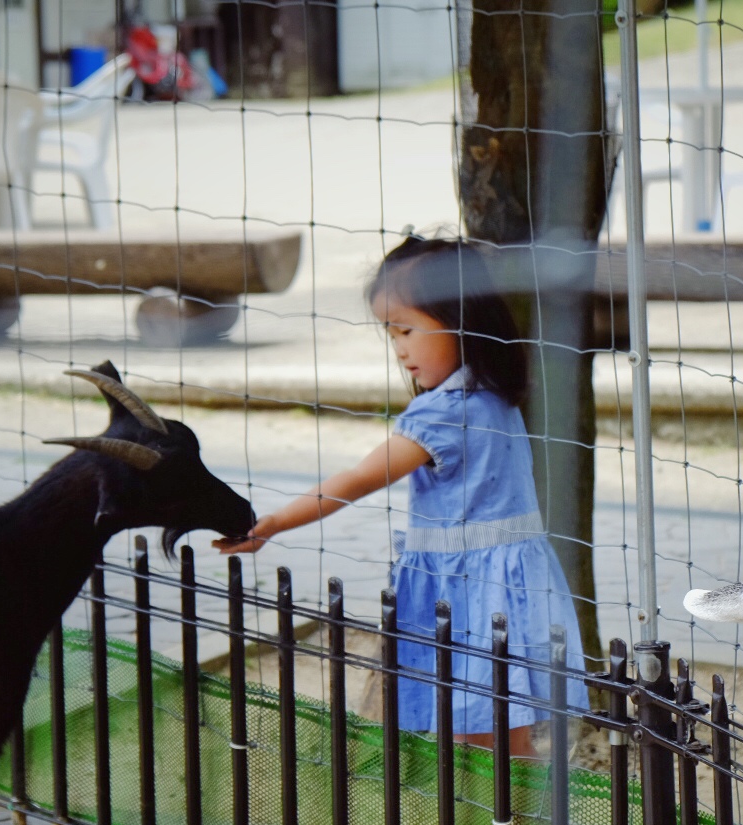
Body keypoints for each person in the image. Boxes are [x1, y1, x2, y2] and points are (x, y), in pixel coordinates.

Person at [215, 234, 583, 759]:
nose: (400, 349)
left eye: (407, 329)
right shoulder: (494, 397)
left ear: (460, 321)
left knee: (471, 739)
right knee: (504, 733)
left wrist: (274, 522)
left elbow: (357, 479)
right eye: (391, 334)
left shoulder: (444, 413)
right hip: (509, 584)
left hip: (469, 594)